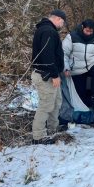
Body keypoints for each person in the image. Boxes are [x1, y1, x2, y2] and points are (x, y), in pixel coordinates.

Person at [31, 9, 66, 145]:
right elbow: (47, 56)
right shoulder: (48, 31)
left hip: (50, 74)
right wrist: (54, 74)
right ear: (57, 19)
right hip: (45, 75)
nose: (62, 25)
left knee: (56, 101)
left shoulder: (46, 30)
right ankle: (38, 136)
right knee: (46, 105)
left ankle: (53, 128)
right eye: (62, 22)